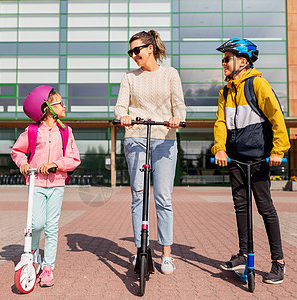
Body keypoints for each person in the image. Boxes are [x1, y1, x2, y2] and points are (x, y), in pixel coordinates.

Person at [211, 38, 290, 284]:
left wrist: (279, 149)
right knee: (241, 207)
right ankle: (244, 254)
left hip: (259, 156)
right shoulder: (225, 91)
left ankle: (278, 261)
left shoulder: (257, 84)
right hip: (235, 158)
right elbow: (221, 123)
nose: (223, 63)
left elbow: (277, 117)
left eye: (227, 58)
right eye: (223, 59)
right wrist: (220, 149)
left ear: (242, 61)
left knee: (265, 208)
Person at [114, 30, 186, 275]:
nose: (133, 55)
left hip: (164, 139)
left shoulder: (170, 74)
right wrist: (122, 116)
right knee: (138, 194)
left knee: (163, 198)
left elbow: (179, 104)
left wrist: (178, 119)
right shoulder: (129, 77)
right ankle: (139, 250)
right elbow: (120, 105)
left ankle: (166, 254)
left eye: (137, 50)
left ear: (150, 48)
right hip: (136, 138)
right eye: (130, 52)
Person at [11, 86, 81, 287]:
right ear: (48, 107)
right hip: (36, 184)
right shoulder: (32, 131)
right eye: (60, 102)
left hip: (57, 184)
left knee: (52, 227)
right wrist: (23, 164)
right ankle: (31, 253)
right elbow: (18, 151)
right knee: (37, 224)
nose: (64, 105)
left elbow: (74, 158)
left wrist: (55, 165)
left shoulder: (66, 131)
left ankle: (48, 267)